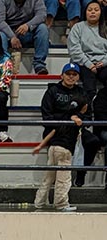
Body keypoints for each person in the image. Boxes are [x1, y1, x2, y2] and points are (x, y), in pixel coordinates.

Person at [33, 62, 89, 210]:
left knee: (49, 175)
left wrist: (78, 118)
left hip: (68, 139)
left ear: (78, 77)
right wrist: (70, 119)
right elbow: (46, 116)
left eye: (74, 74)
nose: (71, 77)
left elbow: (87, 115)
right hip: (58, 140)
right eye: (68, 74)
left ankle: (39, 202)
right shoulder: (52, 91)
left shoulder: (81, 93)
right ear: (62, 75)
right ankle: (61, 203)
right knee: (63, 175)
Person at [0, 0, 50, 74]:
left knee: (43, 28)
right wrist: (12, 36)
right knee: (0, 35)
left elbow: (42, 15)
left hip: (27, 32)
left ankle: (39, 65)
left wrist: (28, 25)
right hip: (8, 32)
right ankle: (3, 65)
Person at [67, 0, 107, 98]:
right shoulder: (77, 27)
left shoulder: (105, 28)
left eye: (96, 10)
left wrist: (104, 62)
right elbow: (74, 50)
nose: (93, 12)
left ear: (101, 13)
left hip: (103, 63)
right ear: (85, 12)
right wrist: (89, 64)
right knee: (89, 80)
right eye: (90, 10)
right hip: (83, 63)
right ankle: (89, 103)